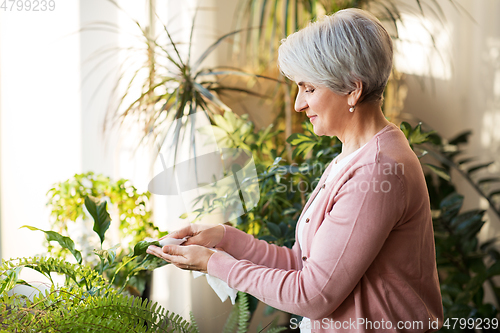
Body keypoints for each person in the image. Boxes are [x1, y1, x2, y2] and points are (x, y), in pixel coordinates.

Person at [147, 8, 443, 332]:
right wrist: (224, 238)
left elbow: (312, 295)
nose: (298, 104)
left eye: (309, 88)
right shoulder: (354, 157)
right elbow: (301, 266)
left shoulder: (377, 171)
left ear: (353, 90)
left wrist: (214, 263)